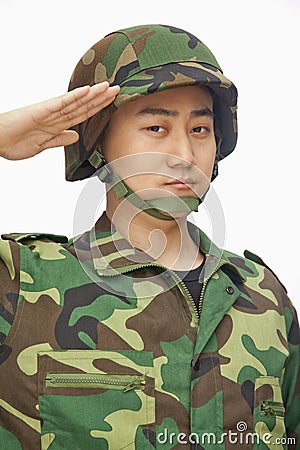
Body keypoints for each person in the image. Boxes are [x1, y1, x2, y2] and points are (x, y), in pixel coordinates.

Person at [0, 24, 299, 450]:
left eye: (200, 129)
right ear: (97, 142)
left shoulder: (262, 295)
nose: (183, 155)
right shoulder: (20, 282)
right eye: (156, 128)